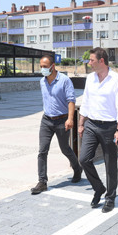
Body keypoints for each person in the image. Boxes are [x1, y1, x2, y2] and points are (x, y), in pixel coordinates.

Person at [78, 48, 118, 213]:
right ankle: (99, 188)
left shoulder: (117, 80)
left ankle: (110, 197)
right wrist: (81, 123)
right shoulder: (90, 78)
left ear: (101, 61)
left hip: (109, 127)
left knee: (110, 164)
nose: (89, 63)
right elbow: (86, 101)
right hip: (91, 124)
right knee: (84, 159)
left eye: (91, 60)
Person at [31, 55, 82, 195]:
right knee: (42, 150)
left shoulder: (64, 80)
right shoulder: (42, 81)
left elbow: (71, 100)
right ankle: (42, 182)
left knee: (65, 148)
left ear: (52, 66)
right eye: (41, 66)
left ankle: (77, 169)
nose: (42, 69)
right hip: (46, 120)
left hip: (62, 120)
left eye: (45, 66)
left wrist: (70, 119)